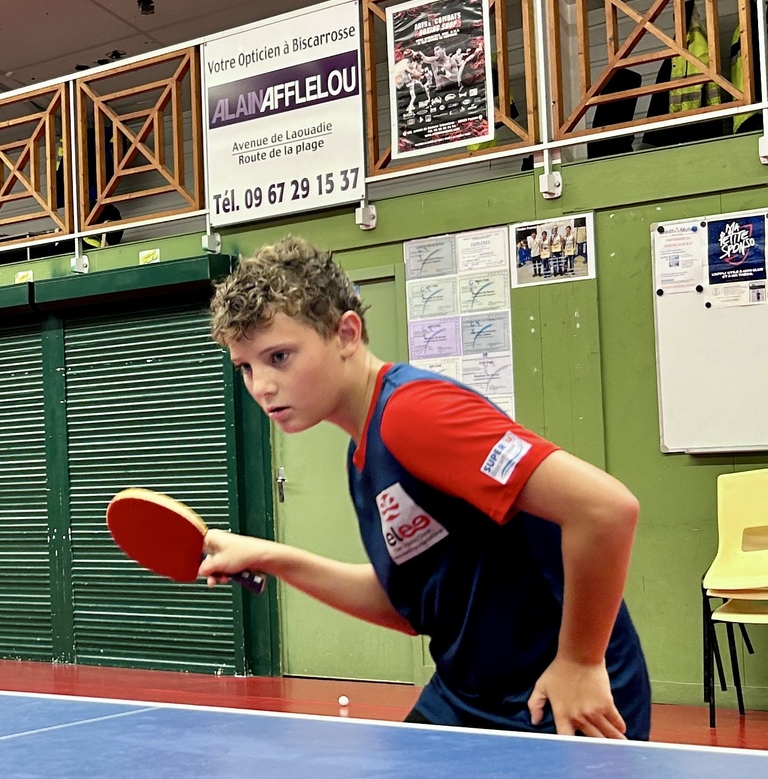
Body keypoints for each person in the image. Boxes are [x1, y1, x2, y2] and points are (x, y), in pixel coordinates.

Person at [201, 237, 649, 739]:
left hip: (554, 694)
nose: (261, 385)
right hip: (468, 691)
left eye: (279, 356)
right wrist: (272, 557)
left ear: (346, 334)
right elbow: (410, 607)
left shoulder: (413, 414)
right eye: (246, 367)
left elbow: (605, 509)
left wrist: (581, 661)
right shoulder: (363, 454)